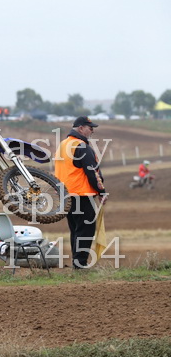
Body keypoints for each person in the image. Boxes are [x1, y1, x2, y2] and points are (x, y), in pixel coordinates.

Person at [54, 115, 107, 269]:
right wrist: (101, 191)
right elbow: (93, 172)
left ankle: (77, 263)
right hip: (81, 195)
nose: (92, 131)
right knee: (86, 230)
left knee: (76, 230)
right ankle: (80, 264)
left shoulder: (63, 145)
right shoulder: (81, 146)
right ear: (81, 128)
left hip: (66, 195)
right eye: (90, 128)